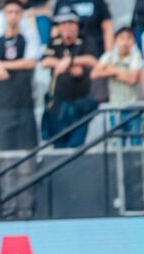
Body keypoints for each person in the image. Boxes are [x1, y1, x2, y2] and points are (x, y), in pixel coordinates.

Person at [0, 0, 39, 152]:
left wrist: (1, 64)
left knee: (28, 149)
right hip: (2, 104)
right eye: (9, 12)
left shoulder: (28, 36)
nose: (13, 16)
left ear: (22, 15)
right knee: (6, 151)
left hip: (24, 103)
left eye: (17, 13)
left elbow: (30, 62)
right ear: (4, 15)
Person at [40, 7, 97, 148]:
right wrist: (62, 63)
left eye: (71, 23)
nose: (68, 27)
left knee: (76, 146)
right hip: (58, 105)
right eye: (63, 24)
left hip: (80, 103)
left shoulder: (85, 41)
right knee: (59, 146)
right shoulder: (54, 42)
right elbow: (45, 61)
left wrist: (69, 61)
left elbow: (92, 60)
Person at [91, 25, 143, 145]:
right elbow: (94, 73)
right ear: (116, 41)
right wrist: (119, 71)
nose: (125, 42)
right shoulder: (109, 56)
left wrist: (112, 70)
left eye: (129, 38)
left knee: (136, 143)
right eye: (121, 38)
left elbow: (132, 79)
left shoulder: (136, 55)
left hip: (132, 106)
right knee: (117, 144)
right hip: (115, 107)